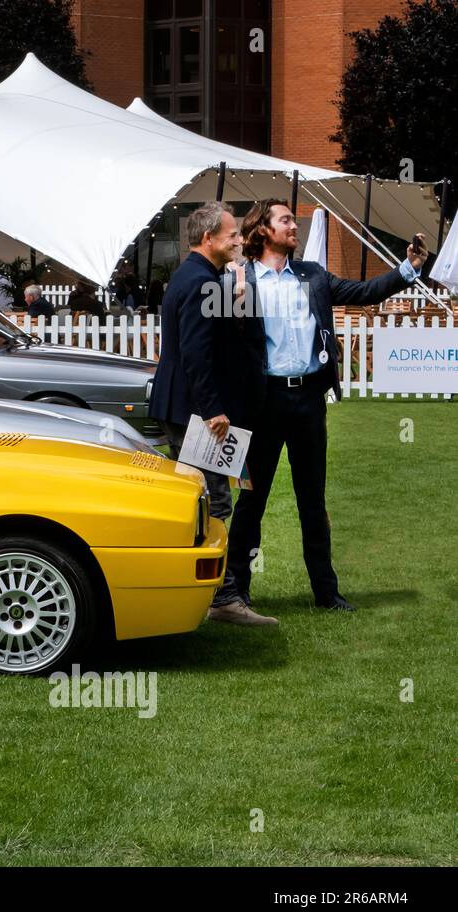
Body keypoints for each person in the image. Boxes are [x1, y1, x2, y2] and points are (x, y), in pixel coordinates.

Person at [227, 199, 427, 612]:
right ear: (263, 230)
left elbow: (365, 291)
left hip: (308, 403)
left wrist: (408, 268)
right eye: (285, 221)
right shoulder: (241, 282)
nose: (293, 227)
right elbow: (216, 337)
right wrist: (227, 280)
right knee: (251, 502)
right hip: (263, 405)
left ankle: (326, 592)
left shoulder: (312, 276)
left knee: (313, 502)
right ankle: (235, 591)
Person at [149, 200, 275, 625]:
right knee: (213, 501)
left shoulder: (200, 277)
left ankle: (196, 591)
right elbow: (196, 355)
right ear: (208, 239)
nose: (240, 240)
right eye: (233, 234)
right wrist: (213, 410)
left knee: (195, 499)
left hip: (188, 408)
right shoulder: (202, 281)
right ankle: (222, 599)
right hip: (197, 412)